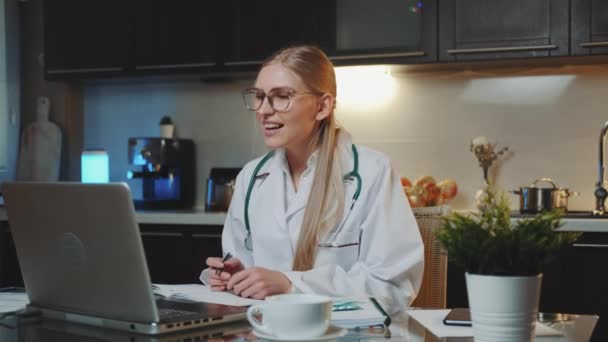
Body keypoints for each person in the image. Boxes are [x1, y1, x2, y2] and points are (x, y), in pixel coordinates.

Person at [200, 45, 423, 314]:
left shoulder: (372, 172)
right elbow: (247, 267)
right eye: (259, 96)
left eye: (281, 96)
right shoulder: (251, 177)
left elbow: (393, 287)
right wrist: (237, 275)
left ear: (322, 106)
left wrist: (290, 284)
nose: (264, 110)